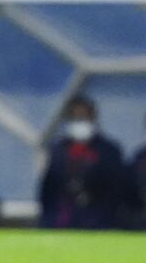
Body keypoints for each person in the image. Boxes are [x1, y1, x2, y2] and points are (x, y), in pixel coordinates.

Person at [38, 94, 130, 230]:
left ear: (93, 118)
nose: (80, 122)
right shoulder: (58, 150)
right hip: (62, 220)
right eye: (75, 118)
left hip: (99, 221)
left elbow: (117, 188)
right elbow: (48, 188)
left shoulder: (108, 151)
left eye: (84, 117)